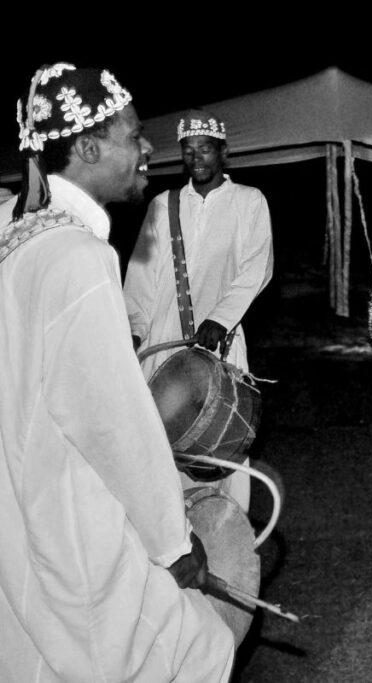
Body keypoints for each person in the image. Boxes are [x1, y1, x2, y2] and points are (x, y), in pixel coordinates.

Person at [0, 63, 233, 682]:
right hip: (72, 523)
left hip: (17, 517)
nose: (148, 147)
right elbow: (115, 425)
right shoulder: (76, 258)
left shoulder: (15, 236)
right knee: (198, 651)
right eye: (133, 135)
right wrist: (174, 543)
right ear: (87, 147)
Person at [124, 108, 273, 511]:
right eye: (189, 151)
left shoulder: (249, 201)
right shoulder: (163, 205)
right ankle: (173, 541)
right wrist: (134, 330)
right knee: (162, 446)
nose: (197, 159)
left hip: (221, 341)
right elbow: (140, 275)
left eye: (205, 149)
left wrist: (221, 319)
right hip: (164, 340)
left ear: (223, 152)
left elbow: (257, 268)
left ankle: (228, 537)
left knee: (221, 443)